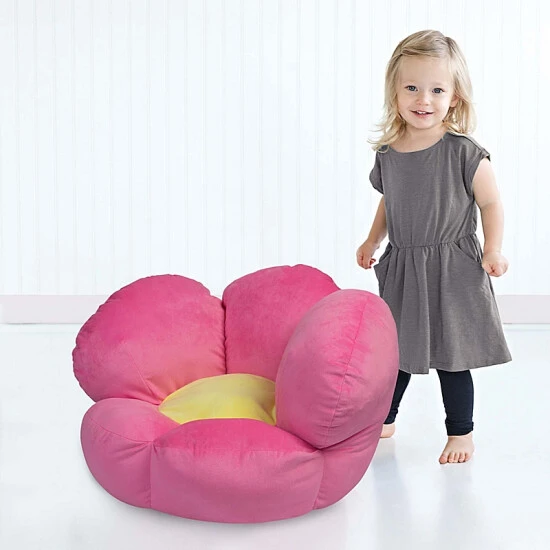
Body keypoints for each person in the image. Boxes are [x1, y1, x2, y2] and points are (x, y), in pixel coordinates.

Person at [356, 30, 512, 465]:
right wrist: (372, 239)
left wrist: (493, 249)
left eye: (437, 90)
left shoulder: (464, 152)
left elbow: (491, 202)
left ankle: (461, 432)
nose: (423, 99)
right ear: (394, 92)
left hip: (452, 267)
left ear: (455, 97)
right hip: (406, 264)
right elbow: (389, 201)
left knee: (452, 355)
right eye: (412, 87)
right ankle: (385, 419)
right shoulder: (389, 152)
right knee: (397, 351)